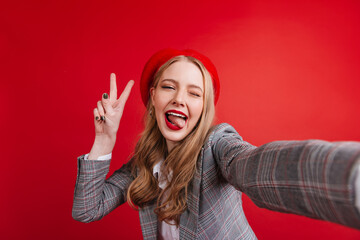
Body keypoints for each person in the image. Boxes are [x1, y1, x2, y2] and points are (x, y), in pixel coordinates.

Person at [72, 49, 360, 239]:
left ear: (204, 109)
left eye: (194, 93)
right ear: (153, 98)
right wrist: (105, 137)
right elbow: (87, 210)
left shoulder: (217, 147)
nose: (179, 99)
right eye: (169, 87)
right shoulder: (144, 166)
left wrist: (350, 176)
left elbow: (258, 168)